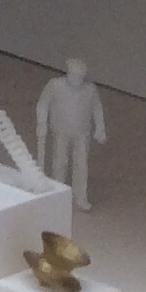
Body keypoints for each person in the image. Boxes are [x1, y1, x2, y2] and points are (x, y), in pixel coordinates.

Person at [36, 60, 108, 210]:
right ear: (68, 73)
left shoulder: (90, 90)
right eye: (74, 75)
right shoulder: (56, 85)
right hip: (60, 131)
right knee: (59, 162)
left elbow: (97, 109)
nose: (77, 79)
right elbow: (43, 103)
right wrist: (42, 123)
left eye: (80, 76)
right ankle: (58, 194)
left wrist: (100, 128)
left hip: (82, 133)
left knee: (81, 165)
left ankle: (80, 196)